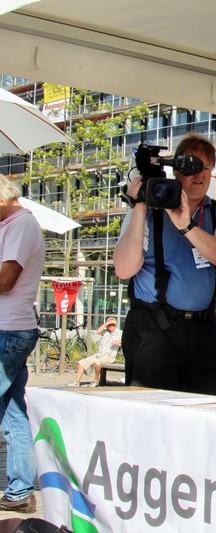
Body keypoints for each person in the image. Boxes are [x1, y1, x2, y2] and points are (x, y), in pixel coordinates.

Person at [113, 133, 216, 396]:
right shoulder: (147, 212)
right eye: (190, 167)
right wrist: (139, 207)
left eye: (205, 168)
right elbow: (124, 269)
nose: (199, 175)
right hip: (154, 328)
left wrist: (186, 226)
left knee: (211, 410)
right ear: (175, 171)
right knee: (151, 412)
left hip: (204, 330)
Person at [0, 174, 45, 513]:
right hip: (12, 328)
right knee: (13, 412)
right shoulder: (13, 225)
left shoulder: (21, 225)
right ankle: (20, 492)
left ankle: (20, 491)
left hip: (9, 329)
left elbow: (7, 279)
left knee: (12, 412)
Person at [67, 317, 121, 387]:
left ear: (116, 325)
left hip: (109, 356)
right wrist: (107, 323)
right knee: (81, 363)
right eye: (109, 325)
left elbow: (127, 340)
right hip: (99, 354)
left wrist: (119, 341)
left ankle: (96, 380)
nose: (111, 326)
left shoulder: (120, 333)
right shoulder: (105, 332)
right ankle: (76, 382)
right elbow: (97, 332)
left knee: (97, 363)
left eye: (113, 324)